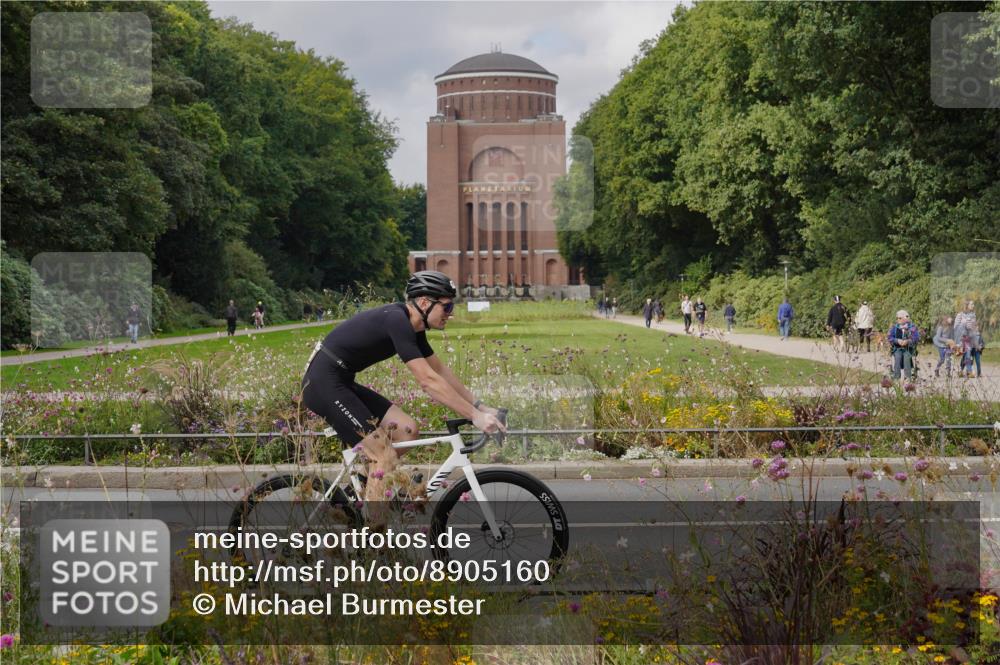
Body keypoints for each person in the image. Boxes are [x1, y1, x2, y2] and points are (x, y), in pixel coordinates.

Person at [301, 270, 506, 503]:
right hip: (322, 384)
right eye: (447, 307)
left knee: (407, 429)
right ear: (425, 303)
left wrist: (480, 406)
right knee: (384, 456)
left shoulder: (414, 328)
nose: (451, 313)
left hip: (341, 381)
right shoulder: (397, 320)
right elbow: (428, 381)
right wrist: (474, 416)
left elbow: (439, 371)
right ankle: (373, 533)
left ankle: (369, 490)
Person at [887, 309, 920, 381]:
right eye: (897, 318)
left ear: (905, 318)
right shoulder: (895, 327)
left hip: (908, 348)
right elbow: (889, 337)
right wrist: (897, 340)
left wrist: (908, 341)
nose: (897, 319)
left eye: (899, 318)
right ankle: (896, 377)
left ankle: (908, 377)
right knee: (897, 357)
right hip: (897, 348)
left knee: (907, 357)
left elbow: (916, 338)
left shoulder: (912, 327)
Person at [954, 300, 983, 378]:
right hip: (963, 337)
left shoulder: (973, 315)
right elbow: (955, 327)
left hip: (971, 337)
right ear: (967, 305)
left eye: (973, 304)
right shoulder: (960, 315)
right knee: (968, 352)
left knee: (966, 354)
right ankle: (969, 371)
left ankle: (960, 370)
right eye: (972, 304)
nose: (973, 305)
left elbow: (973, 327)